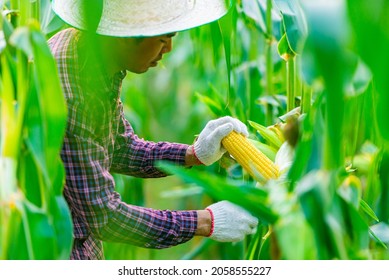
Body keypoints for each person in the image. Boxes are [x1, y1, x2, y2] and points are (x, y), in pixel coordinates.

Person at [49, 0, 258, 260]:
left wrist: (194, 154)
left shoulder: (90, 57)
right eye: (163, 39)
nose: (169, 49)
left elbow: (119, 148)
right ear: (127, 35)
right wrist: (205, 222)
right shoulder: (74, 90)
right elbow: (104, 217)